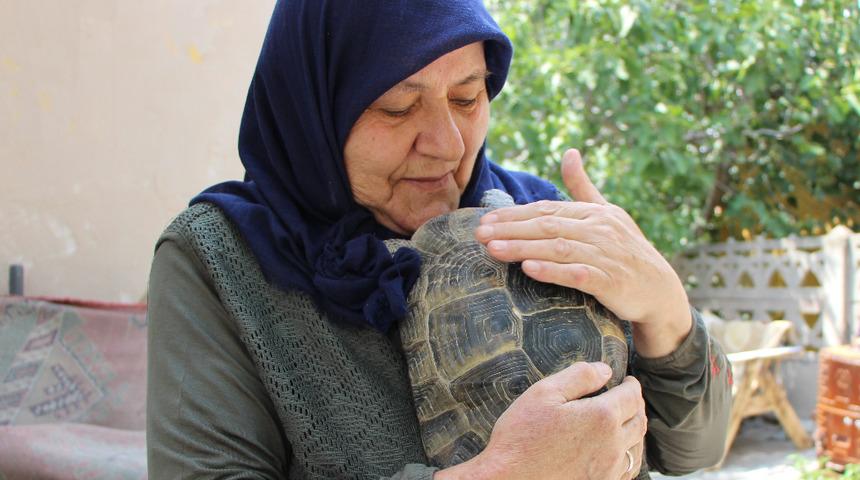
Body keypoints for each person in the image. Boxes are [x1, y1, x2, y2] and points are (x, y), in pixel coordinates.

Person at [146, 1, 732, 479]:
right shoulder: (222, 260)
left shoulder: (534, 216)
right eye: (397, 108)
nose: (448, 144)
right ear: (314, 108)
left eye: (467, 97)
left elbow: (693, 452)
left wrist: (664, 306)